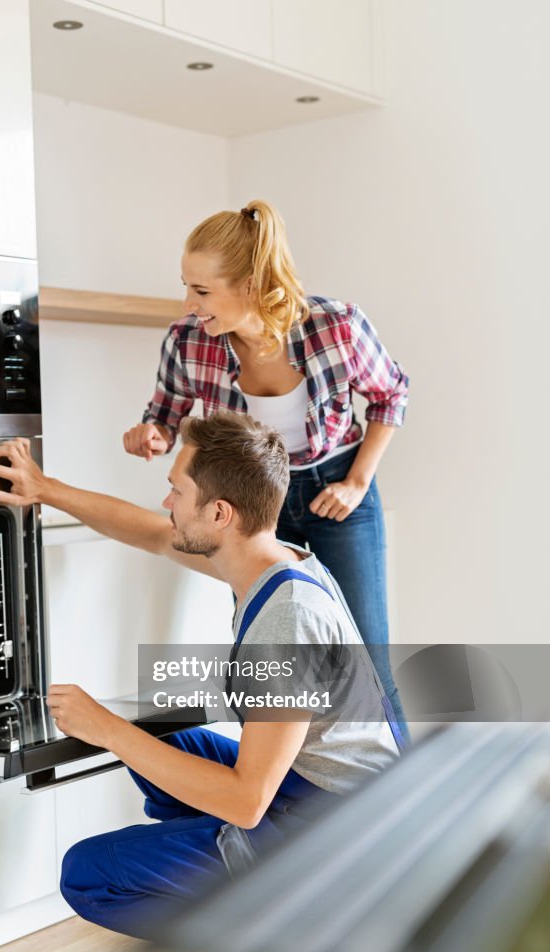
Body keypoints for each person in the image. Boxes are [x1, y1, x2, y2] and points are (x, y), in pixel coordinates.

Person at [0, 412, 400, 940]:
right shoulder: (271, 560)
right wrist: (45, 489)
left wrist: (108, 729)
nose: (167, 503)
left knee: (88, 875)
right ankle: (230, 864)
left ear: (220, 512)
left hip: (339, 832)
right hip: (315, 786)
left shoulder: (287, 623)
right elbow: (153, 534)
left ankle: (281, 936)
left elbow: (247, 802)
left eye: (176, 490)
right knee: (158, 734)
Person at [123, 200, 409, 739]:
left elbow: (391, 394)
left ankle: (402, 810)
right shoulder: (187, 340)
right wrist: (152, 436)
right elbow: (164, 417)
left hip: (335, 492)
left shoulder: (336, 326)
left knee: (366, 662)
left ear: (252, 284)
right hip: (253, 506)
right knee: (269, 669)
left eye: (202, 291)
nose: (188, 303)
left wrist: (357, 481)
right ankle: (285, 806)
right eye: (186, 286)